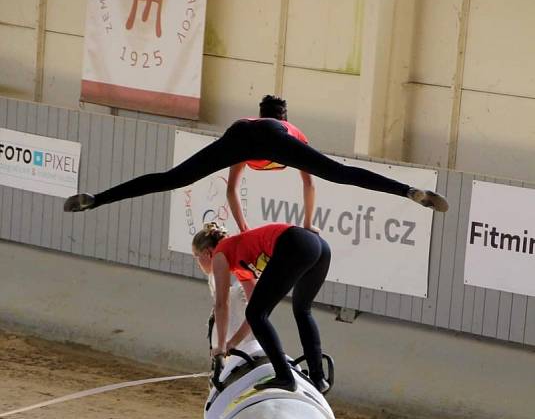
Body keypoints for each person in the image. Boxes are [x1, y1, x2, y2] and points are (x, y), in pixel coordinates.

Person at [64, 95, 449, 227]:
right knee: (340, 173)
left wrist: (245, 228)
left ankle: (96, 199)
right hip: (270, 144)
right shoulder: (291, 131)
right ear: (283, 118)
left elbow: (232, 190)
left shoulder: (247, 125)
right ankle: (410, 191)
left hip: (237, 138)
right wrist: (308, 224)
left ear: (261, 112)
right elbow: (311, 181)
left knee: (172, 179)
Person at [192, 221, 331, 394]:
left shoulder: (220, 253)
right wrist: (232, 343)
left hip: (295, 242)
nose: (197, 263)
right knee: (302, 310)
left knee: (257, 314)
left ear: (207, 253)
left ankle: (284, 376)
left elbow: (222, 304)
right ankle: (318, 379)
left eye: (196, 257)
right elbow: (254, 311)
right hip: (319, 246)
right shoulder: (240, 262)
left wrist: (219, 349)